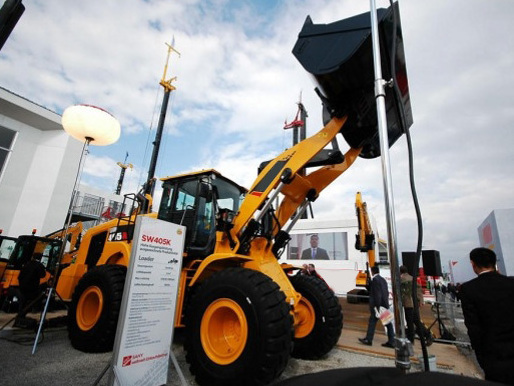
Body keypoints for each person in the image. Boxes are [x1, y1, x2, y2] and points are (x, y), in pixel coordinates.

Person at [459, 247, 514, 384]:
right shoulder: (511, 283)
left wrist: (480, 355)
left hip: (492, 354)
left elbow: (473, 326)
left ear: (473, 265)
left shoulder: (468, 289)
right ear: (494, 263)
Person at [358, 265, 395, 348]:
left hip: (378, 306)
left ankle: (368, 339)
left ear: (372, 271)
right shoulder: (383, 280)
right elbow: (383, 292)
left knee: (372, 322)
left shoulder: (375, 280)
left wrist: (377, 307)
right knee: (388, 324)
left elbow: (377, 294)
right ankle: (391, 341)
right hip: (385, 304)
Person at [17, 253, 46, 317]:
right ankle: (33, 309)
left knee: (23, 301)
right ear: (40, 258)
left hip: (22, 286)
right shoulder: (39, 265)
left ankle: (20, 315)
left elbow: (19, 276)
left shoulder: (26, 264)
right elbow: (43, 275)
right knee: (36, 299)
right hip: (32, 287)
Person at [399, 265, 423, 344]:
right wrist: (420, 300)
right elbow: (419, 290)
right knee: (415, 320)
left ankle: (411, 338)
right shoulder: (412, 278)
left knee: (409, 321)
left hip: (407, 303)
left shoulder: (402, 279)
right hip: (414, 303)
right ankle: (425, 335)